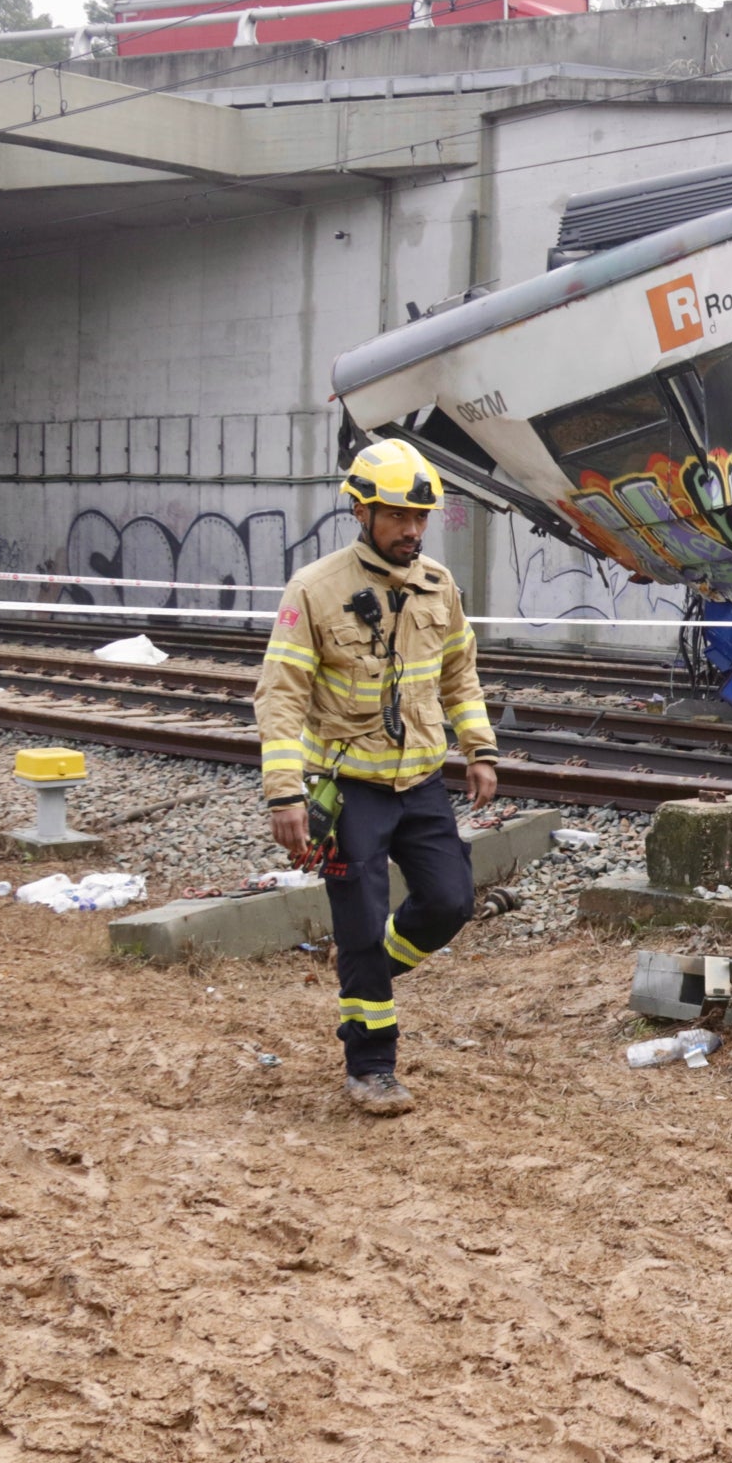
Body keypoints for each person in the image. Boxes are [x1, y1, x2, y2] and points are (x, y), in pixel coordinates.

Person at [254, 433, 499, 1117]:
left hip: (419, 782)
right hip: (348, 785)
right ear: (361, 513)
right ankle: (371, 1066)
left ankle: (370, 968)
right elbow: (279, 697)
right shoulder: (315, 590)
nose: (411, 530)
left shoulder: (437, 586)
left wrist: (479, 748)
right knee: (358, 920)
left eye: (420, 517)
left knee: (450, 899)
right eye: (396, 515)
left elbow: (458, 673)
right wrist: (285, 795)